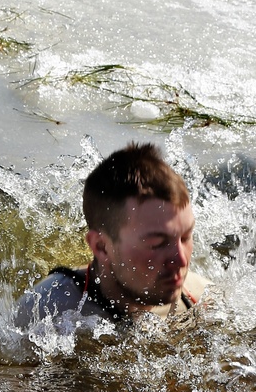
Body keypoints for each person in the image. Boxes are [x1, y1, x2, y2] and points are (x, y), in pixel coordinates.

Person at [14, 142, 206, 332]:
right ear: (101, 246)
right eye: (157, 243)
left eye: (185, 237)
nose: (180, 259)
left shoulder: (201, 301)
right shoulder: (43, 315)